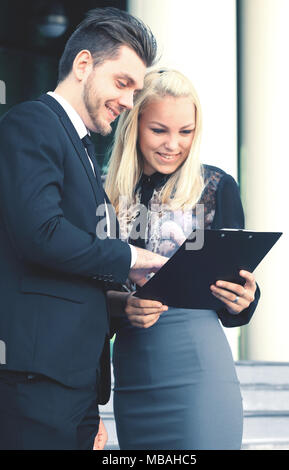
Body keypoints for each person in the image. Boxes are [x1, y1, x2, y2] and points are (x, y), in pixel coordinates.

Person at [0, 8, 168, 450]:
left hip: (72, 385)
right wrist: (130, 258)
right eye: (122, 83)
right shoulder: (31, 123)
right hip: (37, 383)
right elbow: (41, 234)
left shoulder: (81, 147)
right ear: (83, 66)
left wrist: (120, 302)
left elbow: (65, 271)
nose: (130, 101)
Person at [102, 69, 260, 450]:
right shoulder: (100, 188)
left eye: (185, 132)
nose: (173, 144)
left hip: (198, 367)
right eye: (159, 130)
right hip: (132, 369)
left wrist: (245, 299)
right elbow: (83, 288)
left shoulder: (217, 186)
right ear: (133, 126)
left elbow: (235, 291)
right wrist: (120, 305)